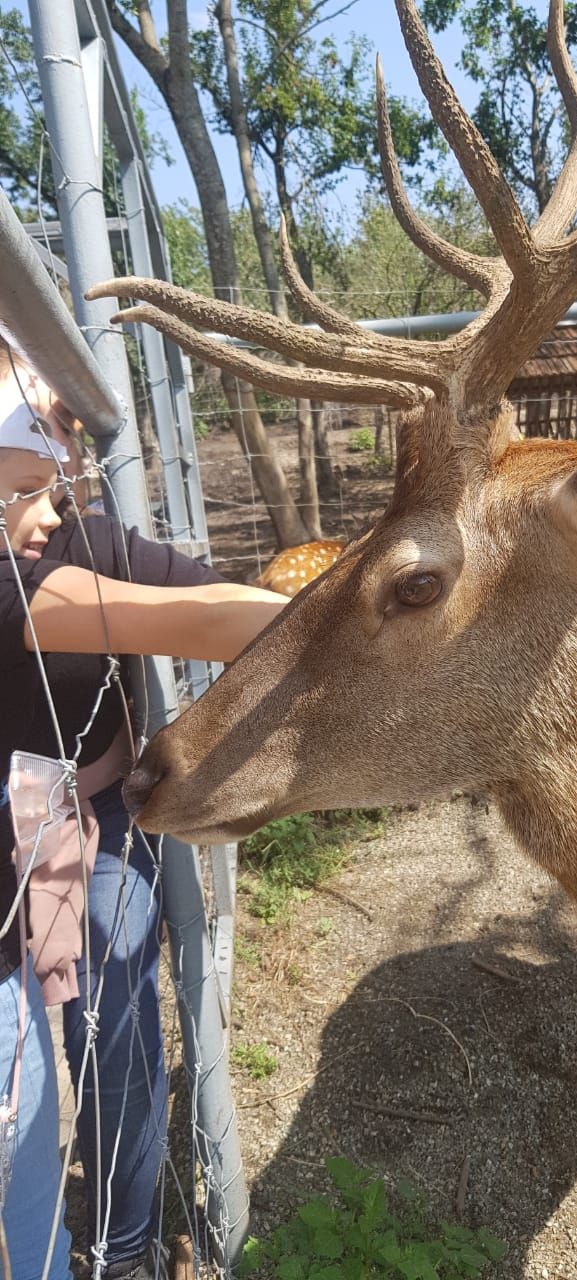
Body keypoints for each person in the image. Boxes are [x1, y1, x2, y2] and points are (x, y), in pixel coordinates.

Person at [0, 345, 287, 1280]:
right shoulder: (19, 579)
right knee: (27, 1064)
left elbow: (196, 583)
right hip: (13, 839)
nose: (54, 501)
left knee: (119, 1022)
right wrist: (350, 618)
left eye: (63, 465)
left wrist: (303, 600)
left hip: (100, 818)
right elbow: (187, 620)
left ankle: (123, 1246)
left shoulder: (80, 529)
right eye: (27, 482)